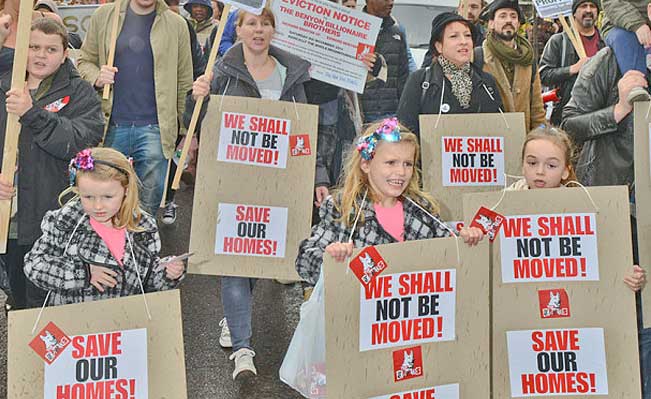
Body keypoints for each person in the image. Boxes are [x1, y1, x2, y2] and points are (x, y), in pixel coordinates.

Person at [188, 7, 311, 380]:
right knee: (234, 264)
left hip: (278, 185)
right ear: (238, 30)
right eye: (251, 23)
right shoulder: (220, 74)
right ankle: (243, 348)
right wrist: (197, 98)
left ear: (274, 31)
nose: (258, 30)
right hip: (230, 182)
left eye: (265, 24)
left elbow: (304, 128)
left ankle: (233, 315)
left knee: (258, 260)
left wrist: (313, 175)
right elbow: (196, 125)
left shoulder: (293, 74)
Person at [507, 124, 650, 397]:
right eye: (532, 162)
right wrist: (471, 237)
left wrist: (629, 275)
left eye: (551, 165)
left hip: (576, 325)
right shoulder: (501, 207)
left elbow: (612, 257)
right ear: (522, 165)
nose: (539, 171)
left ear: (566, 170)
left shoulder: (590, 209)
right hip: (526, 327)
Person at [295, 117, 484, 287]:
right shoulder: (342, 207)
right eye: (391, 162)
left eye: (407, 164)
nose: (401, 172)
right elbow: (304, 259)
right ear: (366, 164)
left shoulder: (421, 208)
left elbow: (446, 242)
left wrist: (465, 237)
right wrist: (330, 256)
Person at [0, 18, 104, 310]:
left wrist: (32, 113)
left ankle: (52, 352)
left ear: (64, 54)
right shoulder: (4, 86)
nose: (40, 55)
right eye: (33, 47)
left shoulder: (80, 92)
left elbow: (79, 141)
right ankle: (27, 350)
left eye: (50, 49)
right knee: (18, 293)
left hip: (54, 214)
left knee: (52, 300)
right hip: (10, 215)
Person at [23, 148, 186, 306]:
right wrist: (84, 273)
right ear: (77, 190)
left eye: (108, 197)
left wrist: (167, 273)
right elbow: (34, 264)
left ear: (126, 190)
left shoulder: (142, 227)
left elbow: (148, 281)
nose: (98, 206)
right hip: (73, 326)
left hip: (124, 323)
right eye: (88, 197)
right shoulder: (65, 222)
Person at [77, 0, 193, 216]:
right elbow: (84, 61)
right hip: (110, 126)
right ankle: (109, 248)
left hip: (156, 129)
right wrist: (97, 77)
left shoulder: (177, 25)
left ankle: (139, 248)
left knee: (146, 208)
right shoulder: (104, 16)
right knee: (104, 203)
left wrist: (187, 131)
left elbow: (184, 81)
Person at [397, 12, 503, 137]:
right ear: (439, 46)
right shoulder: (420, 81)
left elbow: (500, 128)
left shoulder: (486, 82)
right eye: (454, 36)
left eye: (467, 36)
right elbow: (405, 131)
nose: (463, 42)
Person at [479, 0, 546, 131]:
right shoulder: (476, 57)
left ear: (518, 23)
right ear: (491, 24)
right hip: (489, 141)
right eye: (503, 16)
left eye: (513, 16)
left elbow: (537, 109)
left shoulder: (528, 59)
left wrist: (540, 137)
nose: (508, 20)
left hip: (521, 138)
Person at [539, 0, 605, 125]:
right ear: (574, 12)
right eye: (583, 6)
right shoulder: (558, 41)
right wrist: (573, 69)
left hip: (600, 112)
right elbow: (543, 75)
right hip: (567, 113)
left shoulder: (607, 41)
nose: (588, 10)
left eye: (592, 6)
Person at [360, 0, 410, 123]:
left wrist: (404, 112)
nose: (391, 2)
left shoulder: (397, 32)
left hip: (391, 115)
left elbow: (403, 76)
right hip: (361, 114)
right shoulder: (352, 30)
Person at [601, 0, 651, 102]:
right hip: (620, 26)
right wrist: (637, 24)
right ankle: (636, 87)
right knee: (624, 37)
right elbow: (612, 2)